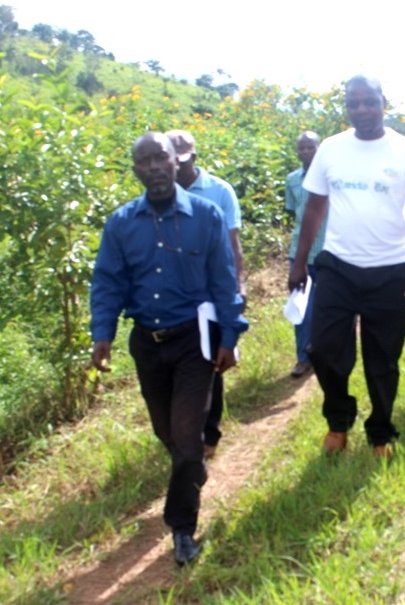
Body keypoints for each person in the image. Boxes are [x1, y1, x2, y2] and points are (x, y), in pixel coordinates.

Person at [90, 132, 248, 565]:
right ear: (136, 170)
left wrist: (230, 337)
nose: (155, 167)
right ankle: (192, 468)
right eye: (145, 161)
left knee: (185, 433)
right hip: (147, 343)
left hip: (194, 342)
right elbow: (108, 281)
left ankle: (182, 528)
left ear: (176, 162)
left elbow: (224, 280)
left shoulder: (207, 215)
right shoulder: (121, 223)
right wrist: (101, 333)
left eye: (161, 158)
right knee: (169, 434)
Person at [288, 74, 405, 457]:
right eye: (353, 103)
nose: (361, 110)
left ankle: (380, 432)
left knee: (382, 359)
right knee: (322, 349)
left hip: (391, 271)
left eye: (369, 102)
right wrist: (300, 262)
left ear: (383, 102)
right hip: (337, 267)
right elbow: (315, 209)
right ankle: (339, 421)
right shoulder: (331, 149)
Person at [165, 129, 244, 458]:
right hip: (173, 293)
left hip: (212, 291)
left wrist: (238, 288)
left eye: (184, 160)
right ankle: (185, 432)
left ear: (194, 157)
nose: (179, 167)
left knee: (212, 362)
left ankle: (208, 434)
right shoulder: (158, 193)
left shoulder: (219, 191)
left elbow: (233, 245)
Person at [284, 131, 324, 379]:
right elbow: (293, 213)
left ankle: (323, 352)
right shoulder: (292, 180)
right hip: (300, 254)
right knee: (301, 308)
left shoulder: (330, 177)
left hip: (329, 251)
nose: (306, 152)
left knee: (327, 308)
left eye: (311, 147)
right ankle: (303, 358)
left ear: (319, 148)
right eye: (302, 148)